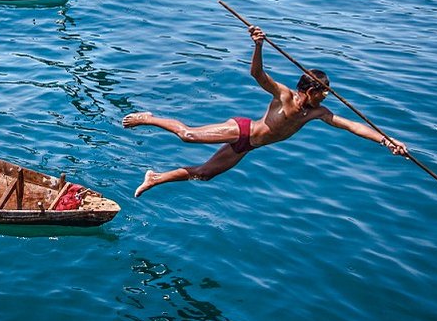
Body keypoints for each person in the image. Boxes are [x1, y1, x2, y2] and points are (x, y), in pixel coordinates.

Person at [126, 25, 409, 198]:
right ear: (308, 90)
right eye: (321, 92)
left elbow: (353, 126)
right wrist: (258, 45)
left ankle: (156, 178)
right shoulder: (284, 95)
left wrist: (387, 141)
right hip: (243, 130)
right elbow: (257, 74)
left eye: (325, 94)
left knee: (204, 173)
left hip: (248, 146)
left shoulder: (318, 113)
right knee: (187, 135)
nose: (324, 97)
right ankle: (148, 118)